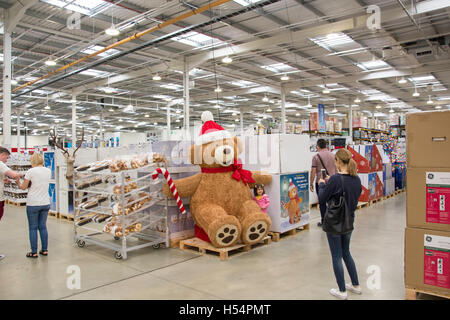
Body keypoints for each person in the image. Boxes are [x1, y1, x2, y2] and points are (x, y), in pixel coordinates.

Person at [318, 148, 362, 300]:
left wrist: (323, 184)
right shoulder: (356, 179)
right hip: (349, 221)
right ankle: (355, 285)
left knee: (336, 256)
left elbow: (322, 198)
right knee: (346, 252)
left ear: (338, 161)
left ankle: (342, 290)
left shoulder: (336, 179)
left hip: (335, 222)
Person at [17, 153, 51, 258]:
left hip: (33, 203)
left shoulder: (30, 171)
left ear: (33, 161)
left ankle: (34, 252)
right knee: (43, 226)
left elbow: (23, 187)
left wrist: (18, 181)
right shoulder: (48, 170)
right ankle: (44, 250)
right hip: (45, 202)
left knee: (33, 228)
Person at [0, 147, 25, 260]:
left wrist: (3, 180)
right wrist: (24, 175)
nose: (7, 159)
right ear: (2, 154)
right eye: (7, 157)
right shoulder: (0, 164)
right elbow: (14, 175)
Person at [310, 139, 336, 227]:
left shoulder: (316, 157)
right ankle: (332, 220)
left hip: (321, 183)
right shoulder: (333, 155)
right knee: (332, 201)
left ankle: (324, 221)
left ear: (318, 146)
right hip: (332, 181)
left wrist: (311, 183)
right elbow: (336, 169)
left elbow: (313, 171)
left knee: (322, 202)